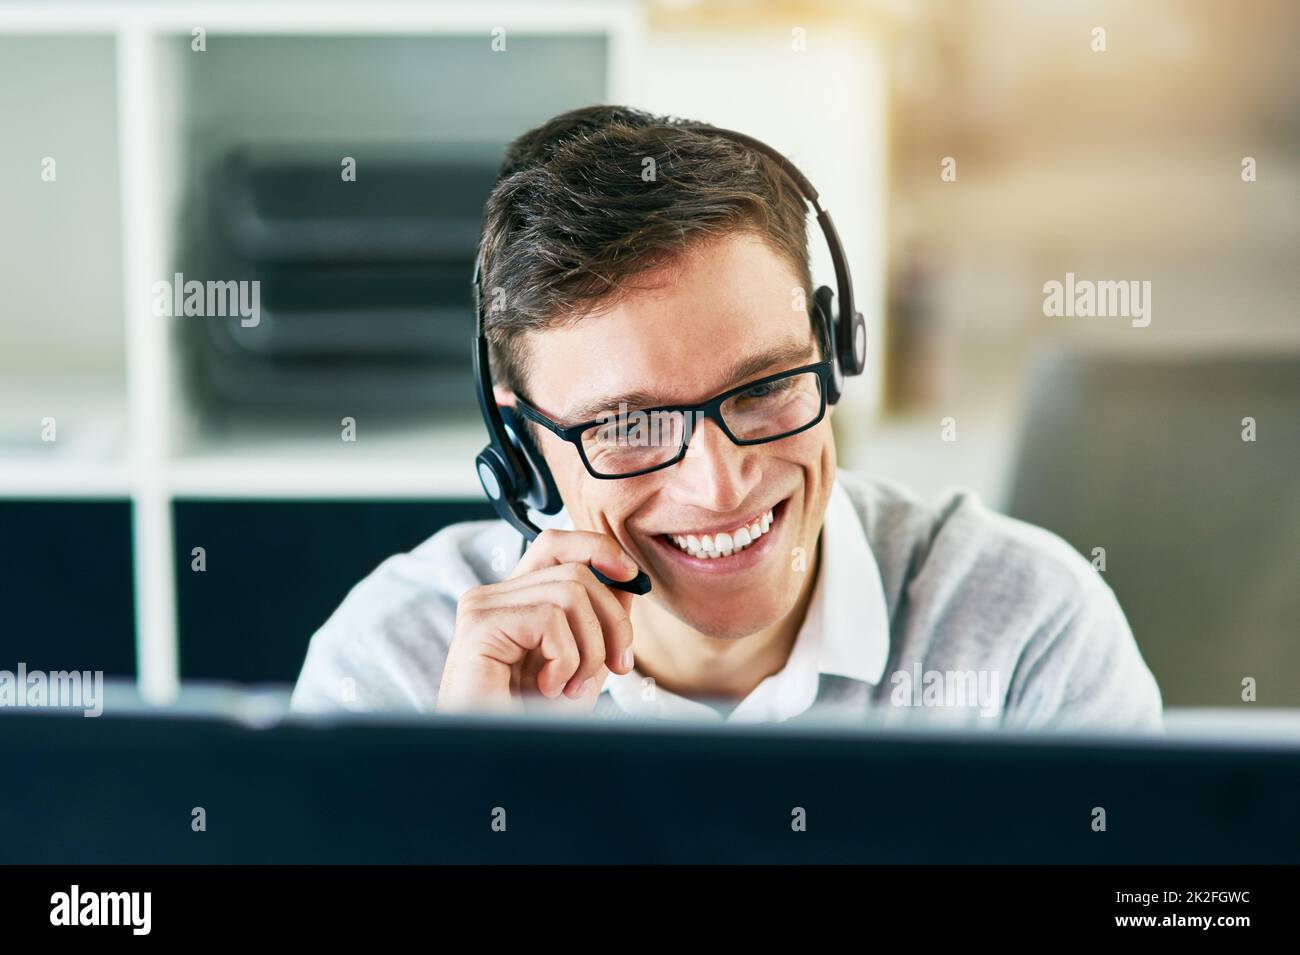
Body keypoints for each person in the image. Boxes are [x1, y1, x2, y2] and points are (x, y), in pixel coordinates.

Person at [290, 105, 1162, 729]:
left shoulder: (1028, 636)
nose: (719, 483)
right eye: (628, 425)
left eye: (761, 387)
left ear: (833, 351)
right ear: (524, 446)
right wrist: (473, 791)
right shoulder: (392, 671)